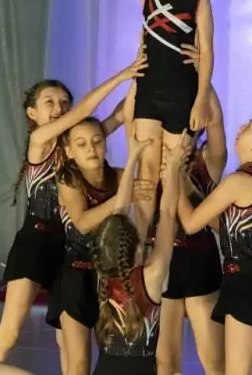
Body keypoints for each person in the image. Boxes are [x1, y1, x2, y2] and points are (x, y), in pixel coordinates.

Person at [0, 55, 146, 364]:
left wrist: (139, 78)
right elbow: (85, 111)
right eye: (49, 102)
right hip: (36, 243)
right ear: (32, 113)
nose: (59, 107)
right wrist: (121, 75)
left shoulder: (75, 143)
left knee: (67, 341)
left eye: (64, 102)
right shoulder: (40, 141)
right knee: (9, 332)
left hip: (67, 249)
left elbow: (119, 116)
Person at [95, 0, 215, 246]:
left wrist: (201, 99)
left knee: (171, 173)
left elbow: (208, 50)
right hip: (148, 91)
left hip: (182, 95)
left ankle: (166, 250)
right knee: (147, 172)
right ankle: (140, 251)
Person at [177, 111, 252, 375]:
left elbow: (190, 224)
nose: (242, 127)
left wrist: (174, 182)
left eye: (250, 126)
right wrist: (187, 187)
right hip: (250, 276)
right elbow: (224, 227)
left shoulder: (239, 181)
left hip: (246, 280)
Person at [45, 117, 152, 375]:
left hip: (110, 277)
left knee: (114, 357)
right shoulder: (68, 179)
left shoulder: (120, 176)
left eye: (97, 141)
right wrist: (123, 195)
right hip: (76, 275)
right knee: (79, 364)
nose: (91, 149)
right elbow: (83, 223)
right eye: (81, 144)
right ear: (69, 151)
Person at [90, 131, 188, 375]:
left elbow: (119, 211)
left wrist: (133, 157)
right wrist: (173, 168)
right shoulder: (152, 275)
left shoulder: (102, 277)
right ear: (137, 247)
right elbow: (167, 213)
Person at [157, 85, 226, 375]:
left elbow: (217, 122)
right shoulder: (153, 163)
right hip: (163, 262)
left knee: (214, 361)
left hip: (200, 260)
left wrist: (203, 80)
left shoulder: (207, 162)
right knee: (165, 363)